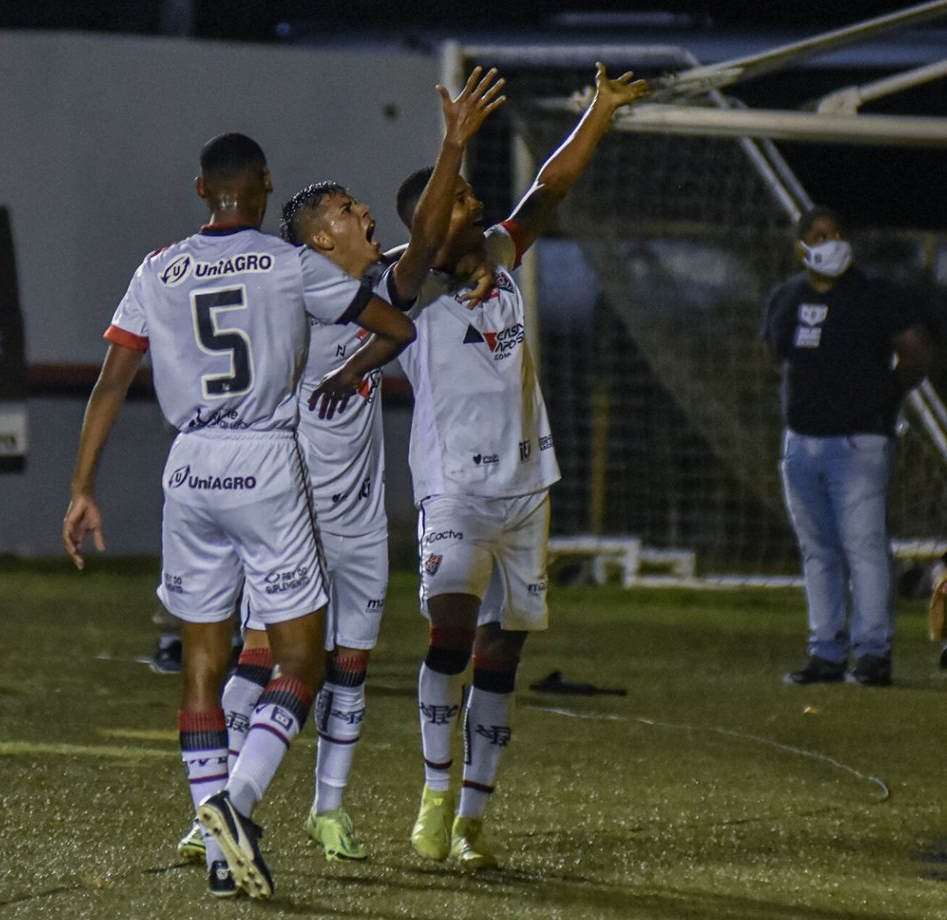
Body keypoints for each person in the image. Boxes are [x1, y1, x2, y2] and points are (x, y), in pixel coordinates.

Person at [62, 132, 414, 900]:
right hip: (263, 460)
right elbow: (397, 328)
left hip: (187, 467)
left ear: (200, 190)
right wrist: (341, 364)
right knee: (300, 659)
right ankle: (236, 804)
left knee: (201, 660)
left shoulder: (158, 268)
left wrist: (83, 487)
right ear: (262, 186)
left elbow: (113, 380)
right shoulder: (292, 265)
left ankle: (215, 843)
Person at [316, 62, 648, 871]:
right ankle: (433, 794)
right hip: (454, 490)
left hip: (527, 489)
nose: (474, 204)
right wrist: (452, 145)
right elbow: (431, 230)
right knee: (451, 638)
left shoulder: (498, 253)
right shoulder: (404, 284)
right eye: (459, 199)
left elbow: (549, 188)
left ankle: (471, 819)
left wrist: (599, 112)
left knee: (504, 656)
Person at [199, 66, 506, 867]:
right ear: (319, 239)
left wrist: (459, 210)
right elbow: (420, 258)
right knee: (265, 660)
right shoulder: (305, 296)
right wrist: (451, 146)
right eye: (344, 211)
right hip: (293, 522)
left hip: (361, 522)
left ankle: (325, 809)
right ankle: (217, 807)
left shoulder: (365, 287)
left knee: (351, 667)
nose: (363, 212)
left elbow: (425, 252)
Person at [762, 205, 933, 687]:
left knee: (864, 546)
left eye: (836, 231)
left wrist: (885, 394)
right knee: (818, 550)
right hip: (801, 444)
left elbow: (916, 350)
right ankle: (826, 653)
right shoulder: (785, 298)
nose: (831, 240)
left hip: (859, 443)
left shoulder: (876, 294)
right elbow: (777, 356)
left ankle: (873, 653)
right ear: (800, 248)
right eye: (818, 234)